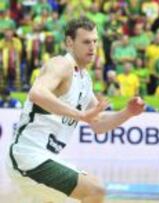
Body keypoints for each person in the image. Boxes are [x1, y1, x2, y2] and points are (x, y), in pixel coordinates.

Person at [5, 17, 145, 203]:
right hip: (28, 156)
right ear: (70, 42)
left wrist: (128, 113)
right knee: (96, 190)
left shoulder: (85, 79)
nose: (92, 47)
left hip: (44, 158)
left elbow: (98, 124)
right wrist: (80, 115)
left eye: (95, 41)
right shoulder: (61, 65)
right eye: (86, 42)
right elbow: (37, 93)